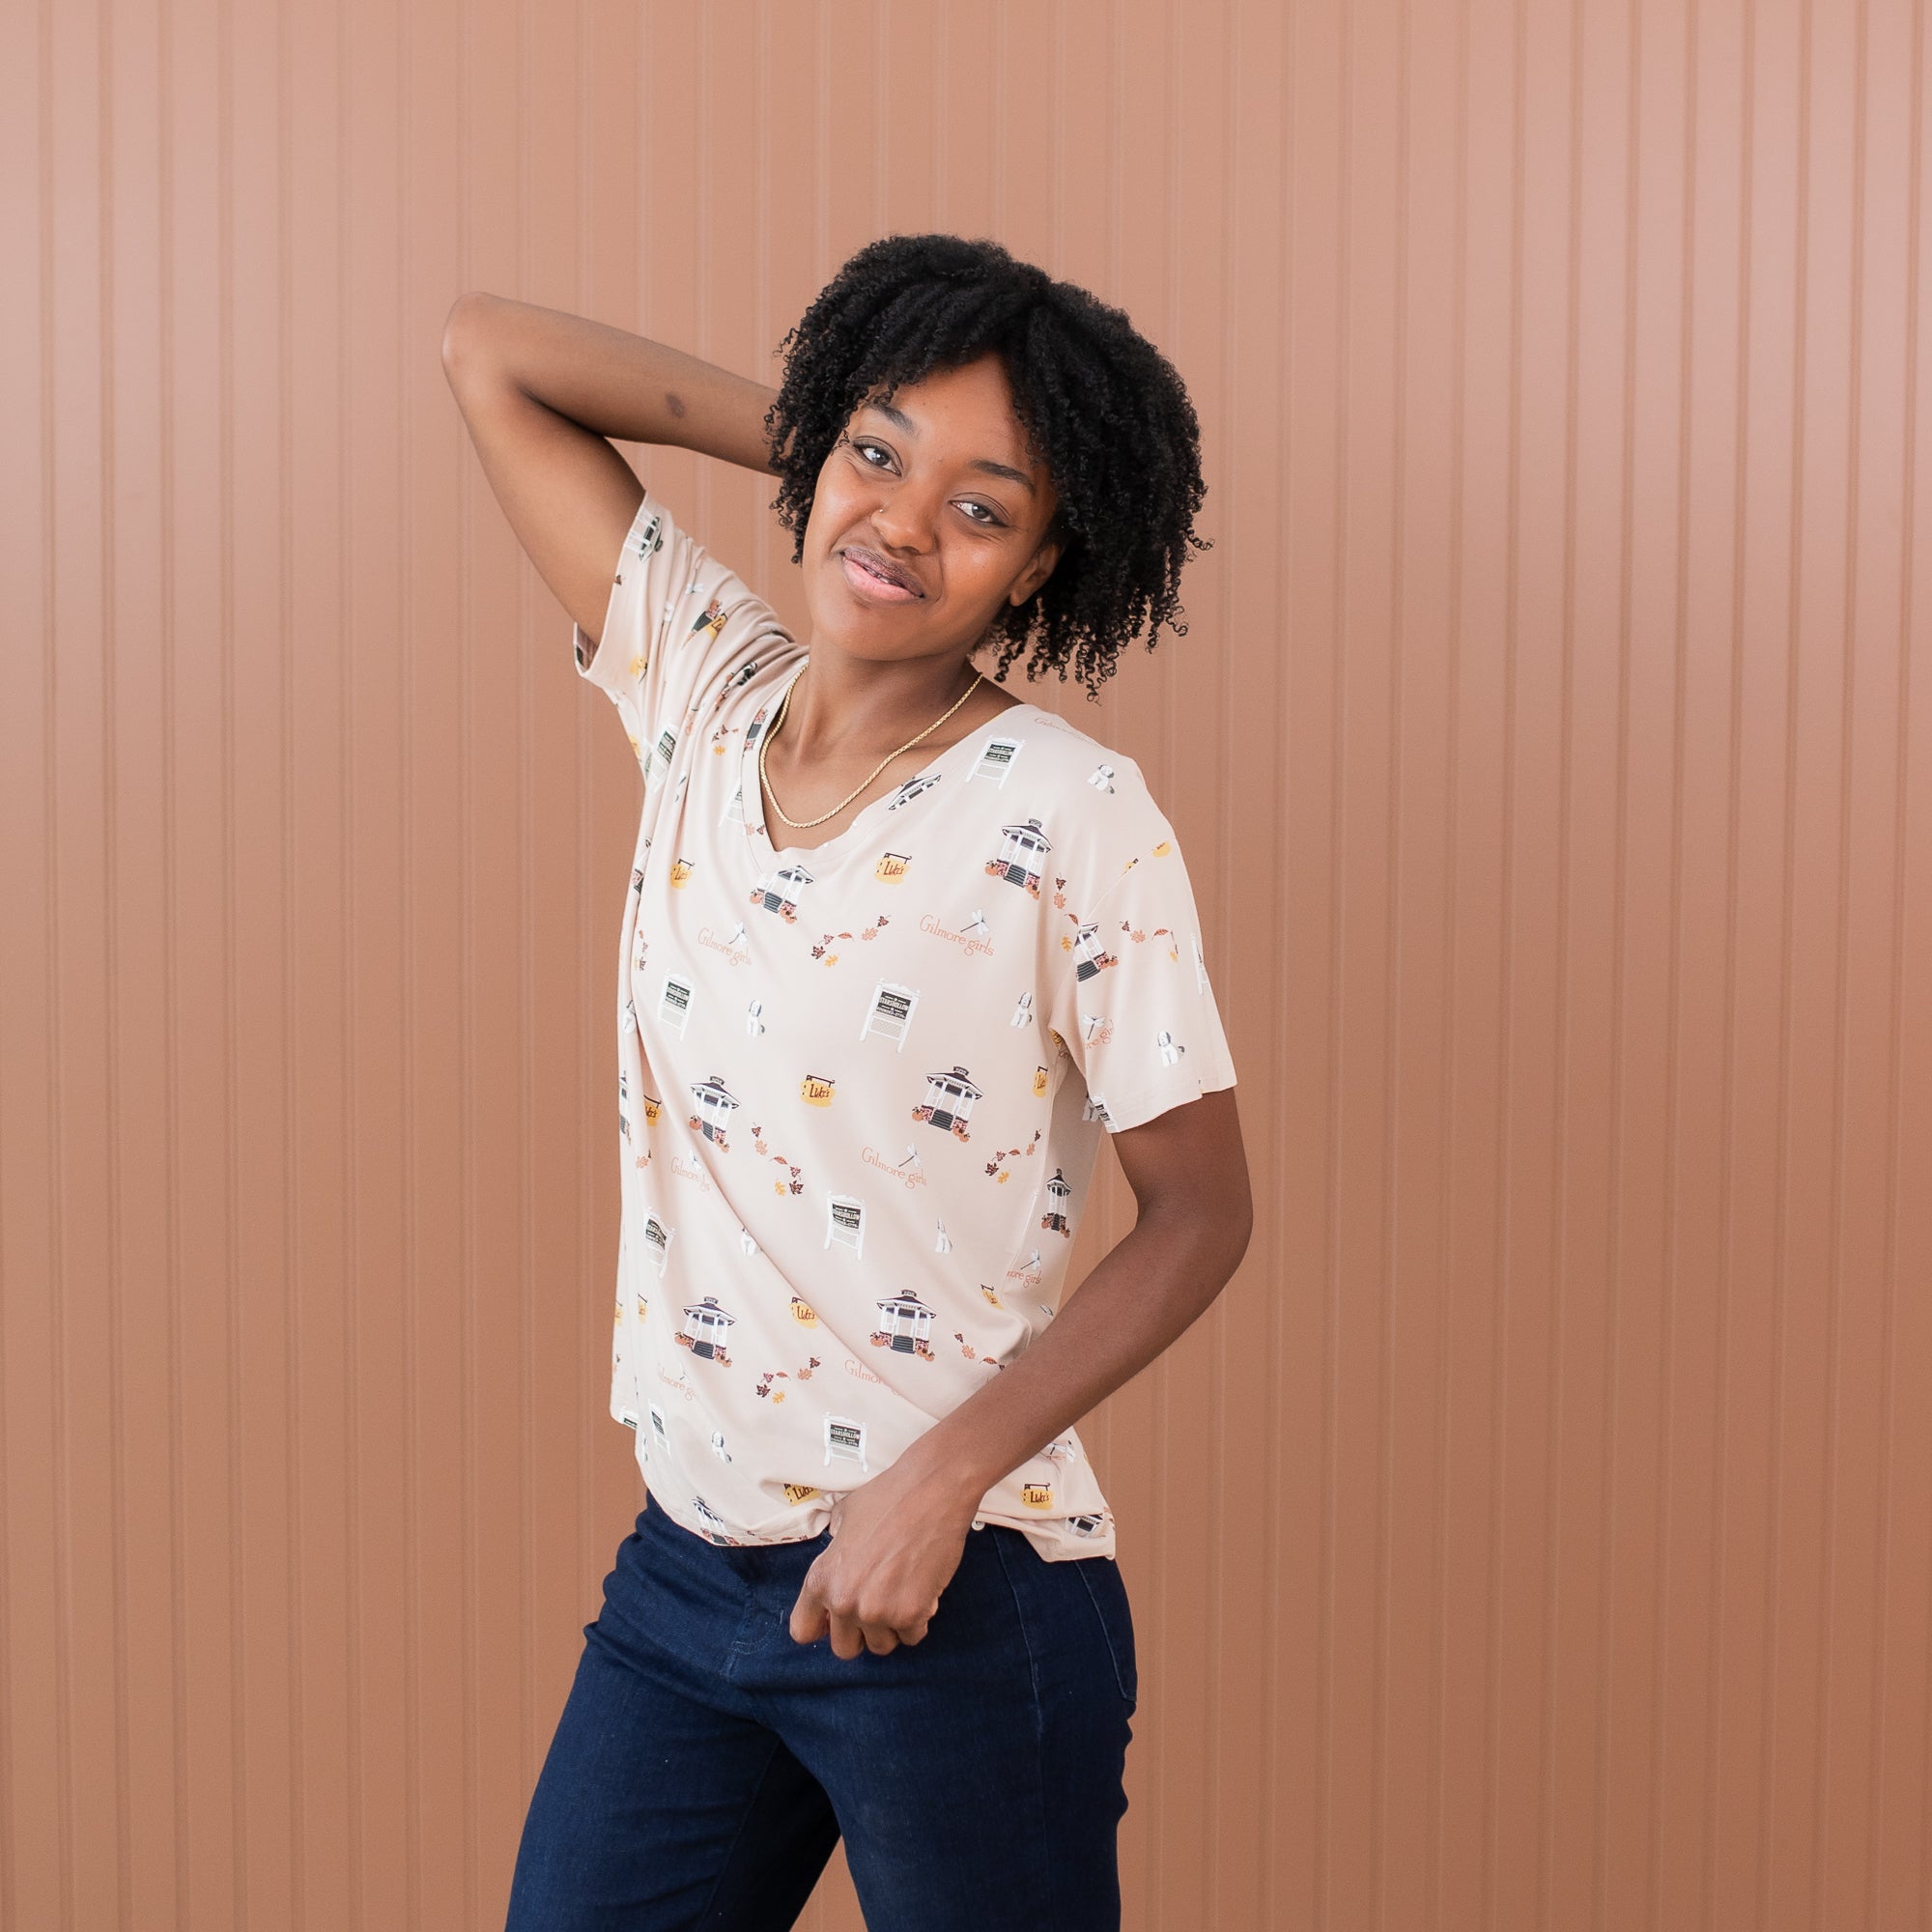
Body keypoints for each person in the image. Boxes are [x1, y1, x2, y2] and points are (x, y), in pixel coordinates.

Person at [442, 234, 1253, 1932]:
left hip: (952, 1597)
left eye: (983, 507)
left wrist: (940, 1486)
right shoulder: (700, 683)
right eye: (879, 457)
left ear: (1041, 569)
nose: (898, 522)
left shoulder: (1070, 815)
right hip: (689, 1567)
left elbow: (1200, 1216)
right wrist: (825, 438)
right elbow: (491, 349)